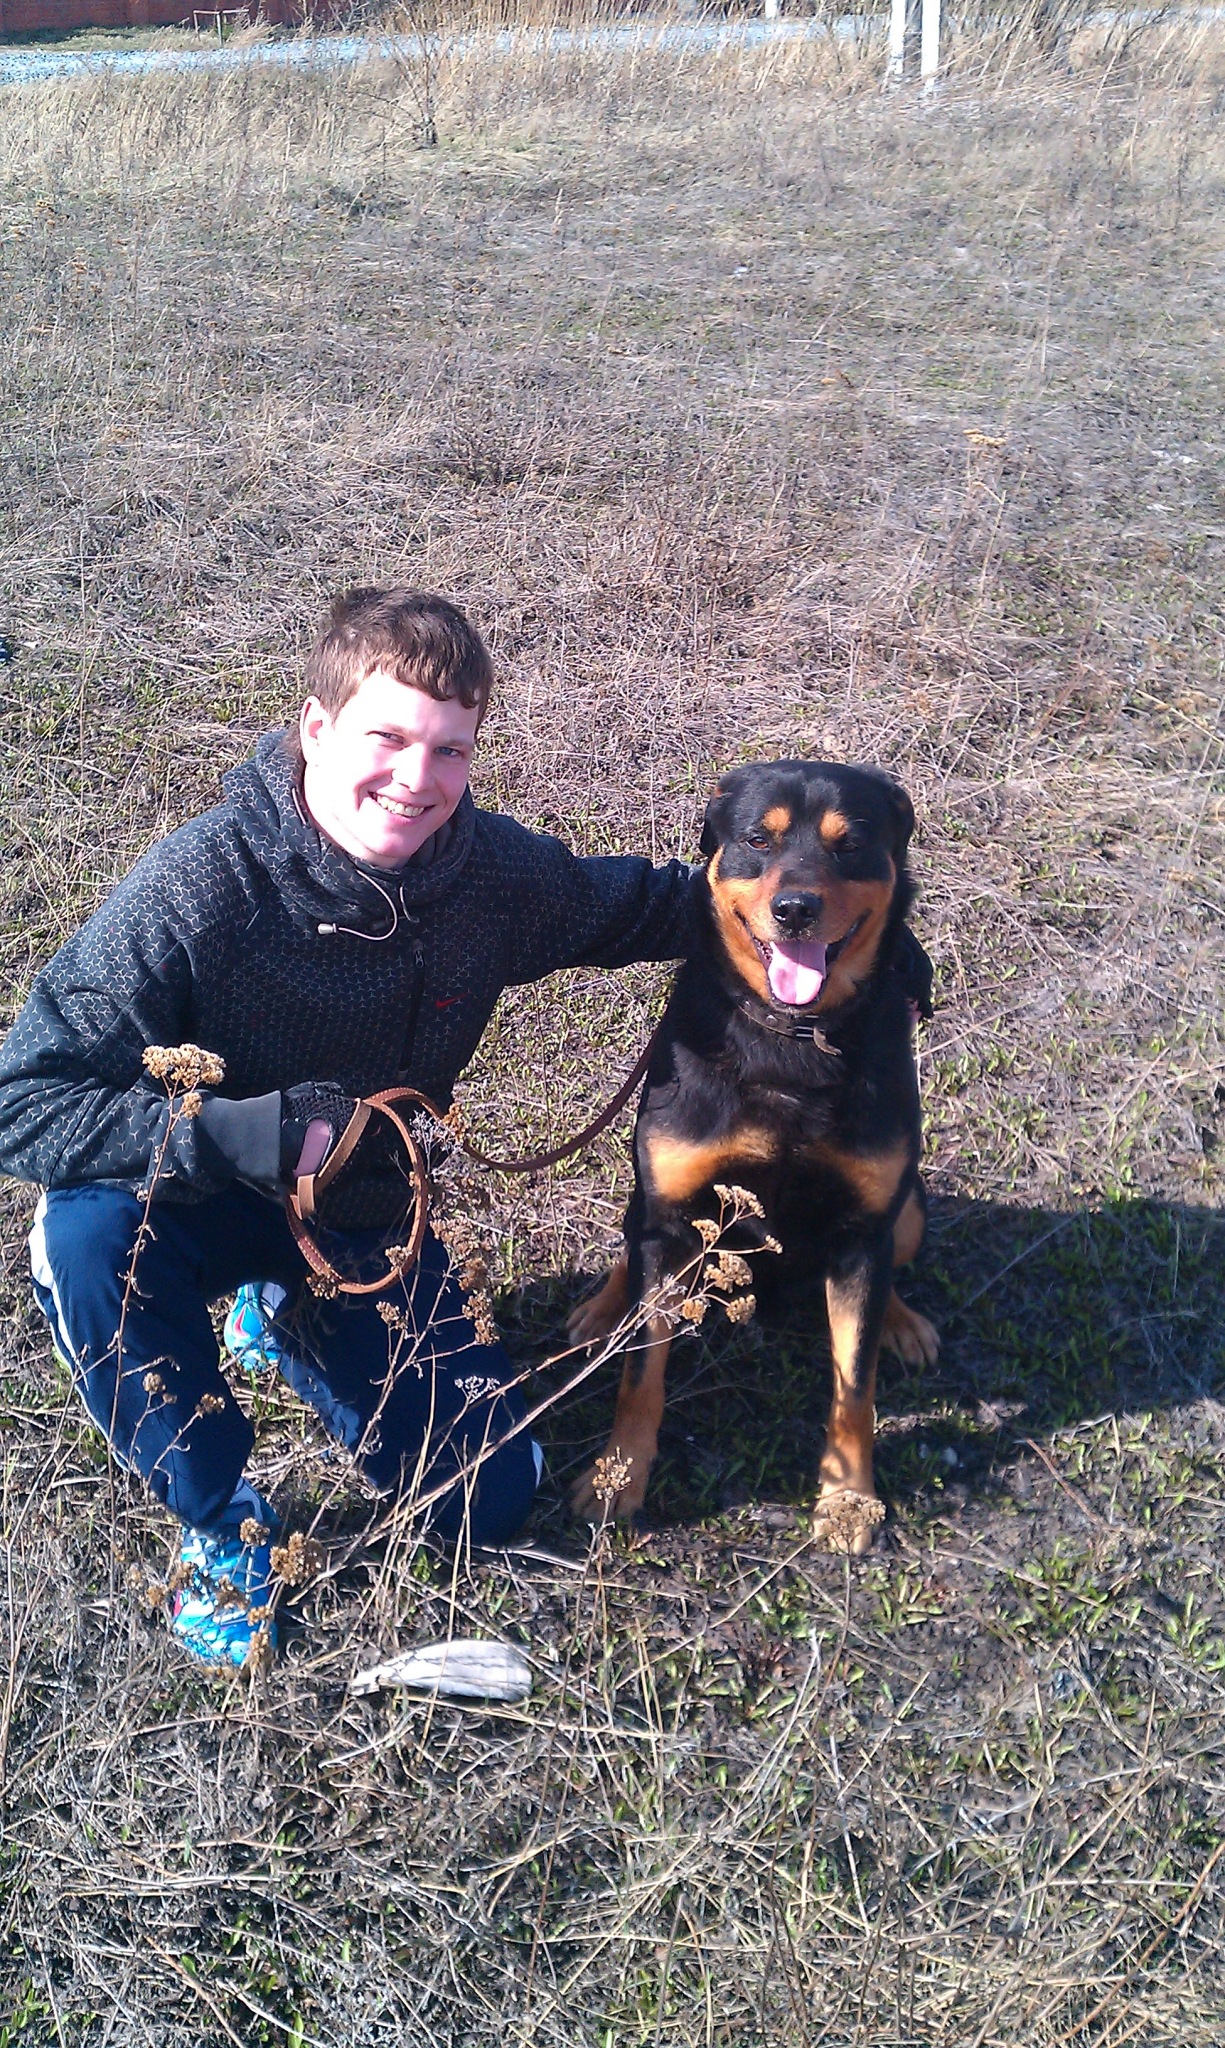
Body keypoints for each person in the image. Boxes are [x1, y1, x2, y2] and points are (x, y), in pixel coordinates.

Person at [0, 587, 701, 1669]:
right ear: (317, 728)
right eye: (387, 737)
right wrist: (240, 1134)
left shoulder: (485, 874)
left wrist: (838, 930)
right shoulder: (201, 886)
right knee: (89, 1243)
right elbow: (24, 1096)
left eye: (450, 749)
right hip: (182, 1196)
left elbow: (649, 903)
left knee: (489, 1499)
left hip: (360, 1218)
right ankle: (219, 1517)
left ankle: (287, 1315)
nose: (418, 779)